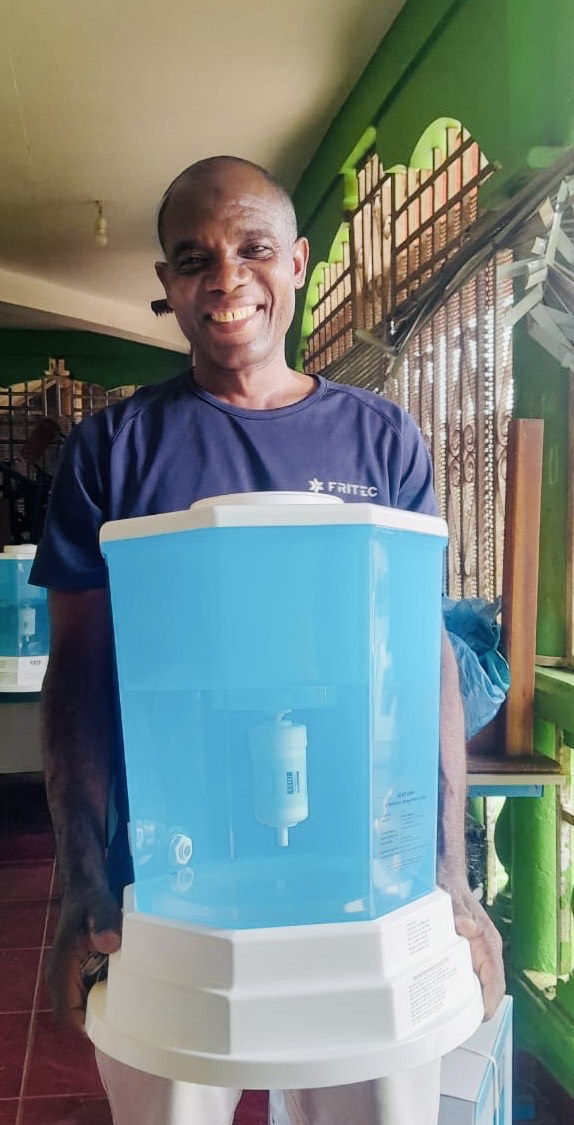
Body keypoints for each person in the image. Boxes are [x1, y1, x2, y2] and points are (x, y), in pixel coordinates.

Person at [31, 155, 505, 1125]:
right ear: (166, 288)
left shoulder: (380, 440)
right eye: (193, 257)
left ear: (294, 263)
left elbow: (423, 664)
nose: (226, 277)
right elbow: (78, 676)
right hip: (170, 879)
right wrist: (83, 880)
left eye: (252, 249)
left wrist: (448, 875)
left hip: (362, 883)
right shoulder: (115, 452)